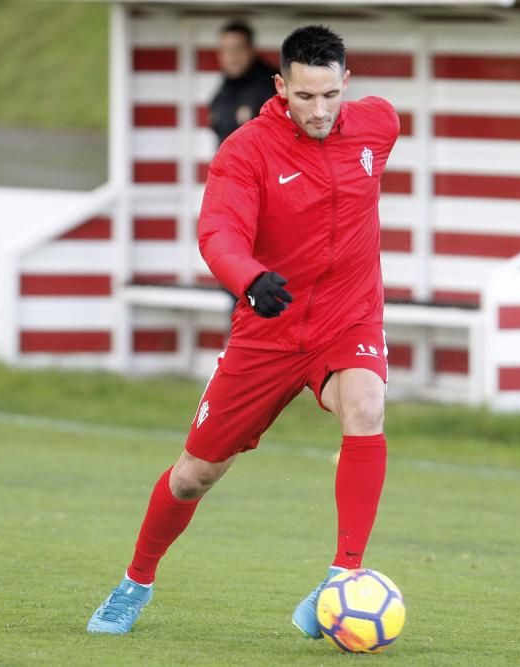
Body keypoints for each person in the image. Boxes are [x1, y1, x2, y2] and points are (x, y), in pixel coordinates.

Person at [87, 24, 401, 638]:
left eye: (331, 95)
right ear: (281, 86)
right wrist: (249, 276)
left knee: (366, 406)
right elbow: (218, 233)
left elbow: (372, 130)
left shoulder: (377, 125)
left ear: (347, 85)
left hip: (348, 318)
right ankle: (136, 581)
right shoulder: (247, 151)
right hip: (268, 329)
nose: (319, 110)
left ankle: (343, 578)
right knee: (194, 475)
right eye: (305, 96)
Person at [208, 20, 278, 146]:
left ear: (251, 50)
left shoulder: (273, 85)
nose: (231, 56)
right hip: (228, 163)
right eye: (226, 49)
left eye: (237, 48)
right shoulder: (223, 89)